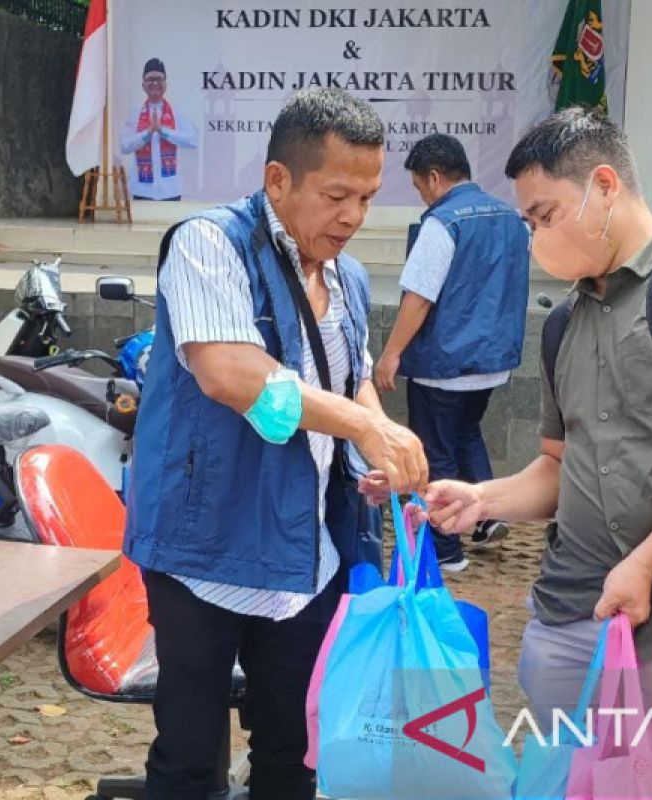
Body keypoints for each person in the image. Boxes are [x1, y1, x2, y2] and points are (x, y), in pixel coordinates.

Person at [413, 108, 652, 799]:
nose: (536, 237)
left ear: (603, 186)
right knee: (577, 784)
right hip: (576, 614)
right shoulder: (566, 321)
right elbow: (556, 466)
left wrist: (644, 562)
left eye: (544, 215)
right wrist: (482, 499)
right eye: (530, 223)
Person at [124, 87, 427, 800]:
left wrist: (371, 451)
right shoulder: (208, 244)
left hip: (305, 555)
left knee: (294, 753)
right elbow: (232, 374)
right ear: (277, 181)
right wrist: (362, 426)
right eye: (336, 195)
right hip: (205, 550)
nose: (353, 216)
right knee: (191, 760)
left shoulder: (347, 275)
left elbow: (348, 380)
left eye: (368, 196)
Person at [373, 134, 531, 571]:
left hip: (443, 363)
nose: (422, 196)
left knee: (437, 451)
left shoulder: (442, 222)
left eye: (421, 186)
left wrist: (390, 356)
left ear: (436, 177)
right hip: (493, 361)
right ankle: (488, 515)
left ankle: (447, 551)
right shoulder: (511, 219)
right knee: (466, 433)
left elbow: (419, 297)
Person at [120, 58, 198, 201]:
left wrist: (163, 131)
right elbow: (124, 147)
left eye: (159, 79)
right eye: (150, 79)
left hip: (171, 189)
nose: (155, 83)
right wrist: (147, 133)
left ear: (165, 84)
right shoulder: (134, 114)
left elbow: (192, 140)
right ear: (143, 85)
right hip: (142, 189)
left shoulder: (176, 112)